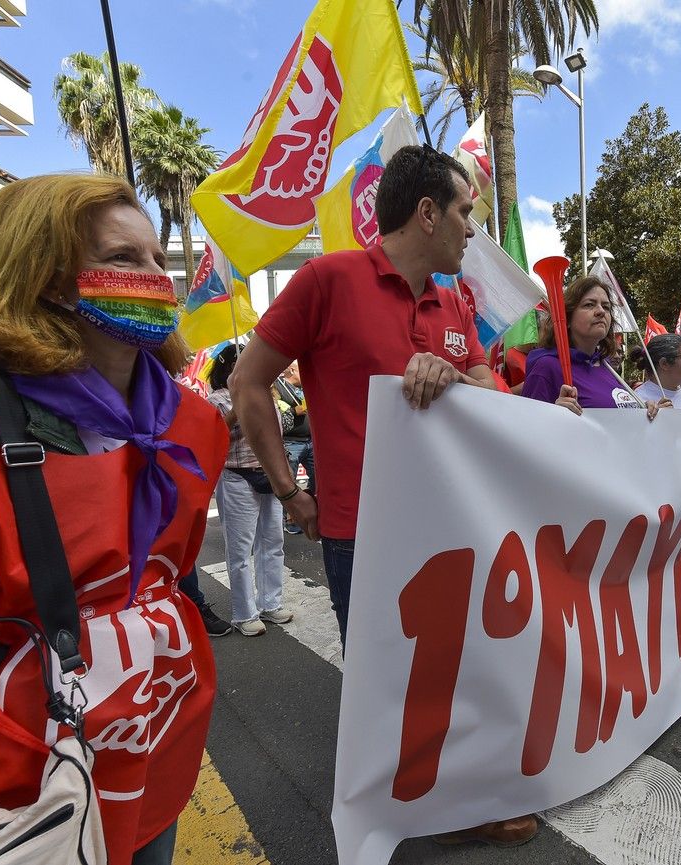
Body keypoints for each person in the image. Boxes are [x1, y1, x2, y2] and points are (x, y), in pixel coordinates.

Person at [0, 174, 228, 865]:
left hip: (158, 724)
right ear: (49, 278)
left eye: (157, 260)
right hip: (15, 764)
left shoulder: (191, 421)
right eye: (124, 259)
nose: (155, 277)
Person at [226, 146, 533, 848]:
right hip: (361, 532)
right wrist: (288, 489)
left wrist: (456, 376)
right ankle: (380, 818)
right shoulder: (327, 279)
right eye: (464, 214)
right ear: (427, 213)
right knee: (384, 684)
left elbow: (494, 386)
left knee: (464, 669)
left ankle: (460, 797)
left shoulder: (455, 298)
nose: (470, 230)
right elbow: (249, 384)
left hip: (456, 523)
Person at [207, 346, 293, 637]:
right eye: (240, 361)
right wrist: (237, 405)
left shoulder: (267, 394)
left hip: (269, 476)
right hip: (237, 477)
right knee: (241, 549)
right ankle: (244, 614)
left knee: (272, 542)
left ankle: (270, 603)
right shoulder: (216, 398)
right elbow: (214, 434)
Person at [521, 275, 654, 417]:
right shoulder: (546, 366)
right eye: (589, 305)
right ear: (566, 319)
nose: (601, 311)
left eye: (606, 307)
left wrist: (642, 409)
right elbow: (528, 427)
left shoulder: (608, 368)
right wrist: (555, 414)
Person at [276, 361, 315, 533]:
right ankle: (291, 521)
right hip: (291, 442)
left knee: (318, 478)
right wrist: (294, 411)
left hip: (310, 441)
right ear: (292, 370)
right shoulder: (278, 388)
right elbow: (279, 417)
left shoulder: (304, 388)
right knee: (289, 483)